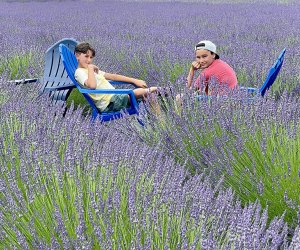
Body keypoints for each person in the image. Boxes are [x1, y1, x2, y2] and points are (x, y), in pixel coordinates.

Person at [74, 42, 159, 113]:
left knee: (151, 96)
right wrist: (90, 68)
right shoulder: (79, 72)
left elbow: (113, 76)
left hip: (116, 98)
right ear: (77, 55)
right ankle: (158, 89)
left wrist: (134, 80)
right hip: (110, 103)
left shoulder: (91, 71)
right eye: (86, 56)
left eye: (91, 57)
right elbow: (92, 86)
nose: (89, 60)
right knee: (136, 93)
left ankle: (160, 124)